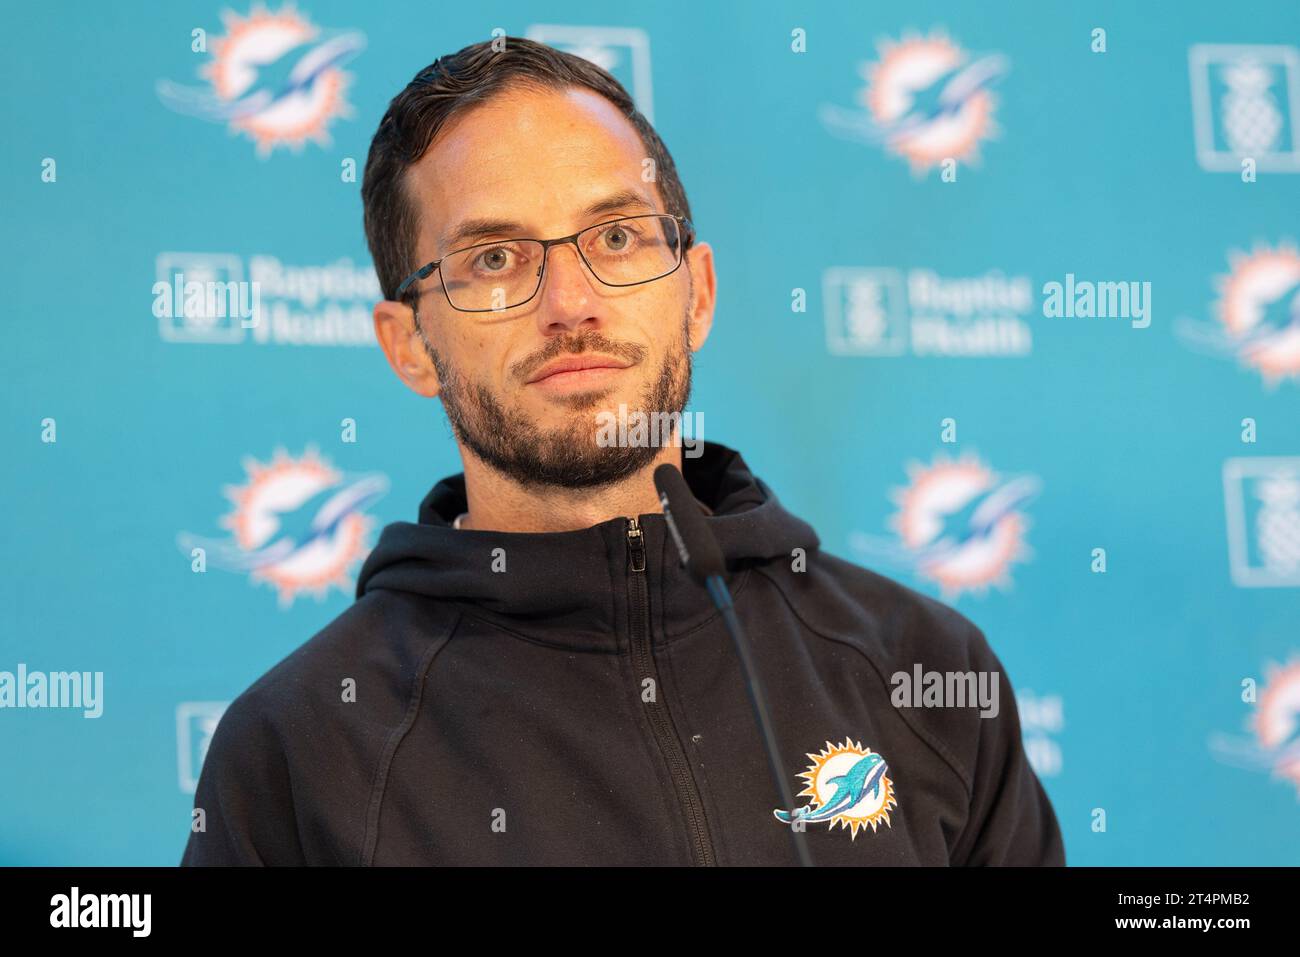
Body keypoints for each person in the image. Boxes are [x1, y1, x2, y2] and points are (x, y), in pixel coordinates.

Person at [181, 36, 1064, 866]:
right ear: (410, 345)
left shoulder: (926, 670)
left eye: (616, 237)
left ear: (699, 293)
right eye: (495, 258)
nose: (570, 303)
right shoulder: (301, 749)